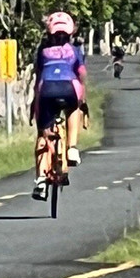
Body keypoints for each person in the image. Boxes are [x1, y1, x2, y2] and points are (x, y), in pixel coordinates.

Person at [30, 11, 88, 201]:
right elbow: (82, 74)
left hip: (46, 89)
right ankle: (72, 148)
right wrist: (83, 99)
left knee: (42, 134)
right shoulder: (75, 50)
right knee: (73, 108)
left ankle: (40, 180)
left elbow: (38, 76)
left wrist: (35, 102)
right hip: (70, 88)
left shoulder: (42, 51)